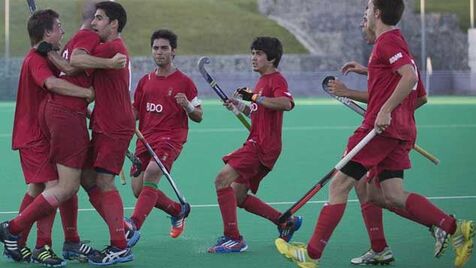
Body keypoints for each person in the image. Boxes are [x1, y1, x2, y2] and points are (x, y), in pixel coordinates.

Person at [275, 1, 474, 268]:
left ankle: (311, 255)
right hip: (396, 132)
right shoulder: (395, 42)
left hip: (378, 131)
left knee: (338, 185)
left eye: (367, 8)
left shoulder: (387, 42)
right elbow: (417, 94)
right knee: (389, 195)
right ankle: (454, 227)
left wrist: (386, 111)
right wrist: (388, 100)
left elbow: (410, 78)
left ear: (377, 13)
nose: (365, 14)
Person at [0, 9, 94, 266]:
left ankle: (16, 244)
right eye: (59, 27)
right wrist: (85, 93)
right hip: (34, 135)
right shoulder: (35, 60)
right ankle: (40, 245)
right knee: (55, 187)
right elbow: (52, 85)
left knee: (38, 188)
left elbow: (58, 96)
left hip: (46, 132)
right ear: (46, 33)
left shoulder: (45, 56)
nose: (63, 31)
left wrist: (82, 110)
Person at [208, 36, 301, 254]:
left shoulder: (276, 79)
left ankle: (233, 238)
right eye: (253, 53)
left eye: (258, 53)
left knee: (222, 180)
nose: (253, 58)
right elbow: (259, 112)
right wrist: (240, 105)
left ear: (272, 58)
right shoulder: (261, 82)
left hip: (262, 147)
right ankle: (284, 221)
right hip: (259, 144)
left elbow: (286, 104)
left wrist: (255, 97)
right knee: (237, 196)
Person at [68, 1, 134, 265]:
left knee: (104, 183)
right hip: (104, 121)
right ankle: (123, 229)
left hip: (115, 124)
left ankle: (120, 245)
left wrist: (58, 51)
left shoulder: (112, 48)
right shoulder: (106, 51)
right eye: (93, 18)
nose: (93, 23)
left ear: (114, 24)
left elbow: (74, 61)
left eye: (99, 18)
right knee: (87, 178)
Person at [125, 29, 202, 242]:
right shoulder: (145, 81)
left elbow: (199, 116)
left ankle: (133, 225)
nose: (159, 52)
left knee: (151, 174)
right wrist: (125, 121)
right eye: (156, 48)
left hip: (170, 139)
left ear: (173, 51)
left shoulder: (184, 82)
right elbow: (136, 111)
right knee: (138, 190)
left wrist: (187, 106)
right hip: (145, 139)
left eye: (164, 48)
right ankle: (177, 210)